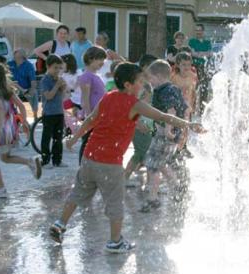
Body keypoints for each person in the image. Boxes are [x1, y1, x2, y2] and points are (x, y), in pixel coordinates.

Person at [49, 62, 204, 253]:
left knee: (78, 193)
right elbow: (163, 116)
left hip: (90, 157)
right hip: (110, 163)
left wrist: (74, 139)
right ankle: (115, 241)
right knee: (115, 201)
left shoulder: (108, 97)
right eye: (140, 82)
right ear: (129, 85)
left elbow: (92, 120)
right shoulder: (134, 104)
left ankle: (60, 224)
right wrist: (189, 124)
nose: (143, 85)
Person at [140, 60, 188, 213]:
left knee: (153, 164)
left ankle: (152, 198)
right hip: (170, 132)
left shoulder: (165, 90)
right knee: (160, 163)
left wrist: (168, 129)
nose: (150, 82)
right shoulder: (173, 89)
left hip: (165, 133)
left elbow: (171, 111)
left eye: (151, 78)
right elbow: (186, 108)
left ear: (159, 76)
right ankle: (177, 186)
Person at [0, 63, 42, 198]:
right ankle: (29, 161)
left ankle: (1, 189)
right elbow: (22, 106)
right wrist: (24, 122)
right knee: (5, 158)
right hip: (10, 129)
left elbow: (0, 108)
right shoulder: (8, 90)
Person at [124, 55, 158, 186]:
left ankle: (149, 183)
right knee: (140, 153)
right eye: (152, 67)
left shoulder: (147, 84)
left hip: (146, 123)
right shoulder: (137, 85)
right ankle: (124, 179)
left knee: (144, 154)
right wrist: (138, 123)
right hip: (139, 124)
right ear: (144, 67)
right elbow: (132, 107)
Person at [78, 46, 107, 163]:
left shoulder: (96, 75)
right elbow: (85, 98)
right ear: (91, 59)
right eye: (100, 59)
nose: (103, 62)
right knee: (87, 142)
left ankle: (93, 163)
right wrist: (89, 116)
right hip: (92, 116)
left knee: (96, 141)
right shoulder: (87, 76)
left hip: (99, 115)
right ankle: (82, 165)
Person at [39, 55, 68, 168]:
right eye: (55, 68)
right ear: (48, 67)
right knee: (46, 138)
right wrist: (57, 85)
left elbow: (62, 95)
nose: (57, 71)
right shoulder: (45, 80)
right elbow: (49, 96)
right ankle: (45, 160)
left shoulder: (57, 79)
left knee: (58, 138)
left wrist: (63, 87)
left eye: (59, 68)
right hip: (49, 113)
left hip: (59, 112)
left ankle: (57, 160)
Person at [8, 49, 38, 121]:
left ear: (23, 57)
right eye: (15, 57)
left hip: (26, 88)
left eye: (18, 57)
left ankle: (35, 115)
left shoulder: (29, 66)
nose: (16, 59)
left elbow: (33, 81)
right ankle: (15, 115)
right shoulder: (10, 64)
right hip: (12, 88)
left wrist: (32, 90)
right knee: (14, 84)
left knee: (34, 93)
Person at [188, 24, 212, 114]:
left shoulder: (207, 42)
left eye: (199, 30)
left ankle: (202, 110)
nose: (198, 32)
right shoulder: (192, 41)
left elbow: (210, 54)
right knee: (193, 87)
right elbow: (192, 53)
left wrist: (198, 53)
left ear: (203, 31)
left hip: (205, 67)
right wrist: (203, 53)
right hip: (194, 67)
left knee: (204, 88)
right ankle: (192, 109)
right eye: (196, 30)